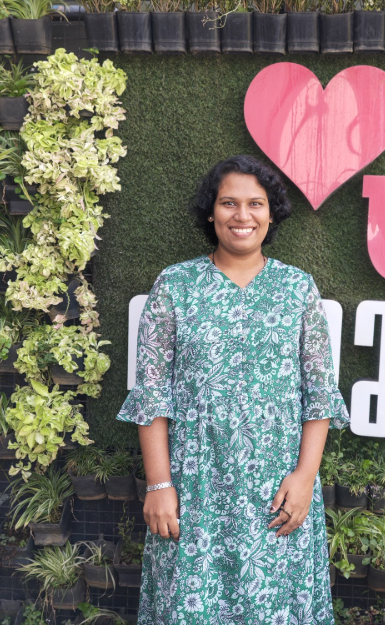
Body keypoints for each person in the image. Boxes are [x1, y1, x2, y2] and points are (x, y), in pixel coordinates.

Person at [116, 154, 350, 625]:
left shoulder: (297, 288)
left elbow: (320, 393)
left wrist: (305, 478)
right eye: (229, 203)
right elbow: (152, 393)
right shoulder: (174, 285)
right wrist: (159, 484)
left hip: (277, 490)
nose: (242, 215)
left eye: (255, 204)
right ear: (211, 212)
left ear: (271, 214)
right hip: (195, 488)